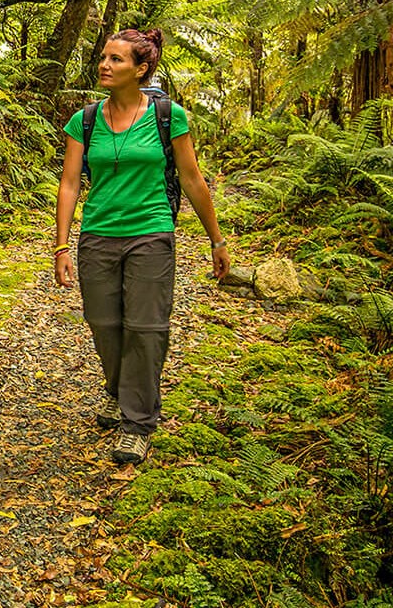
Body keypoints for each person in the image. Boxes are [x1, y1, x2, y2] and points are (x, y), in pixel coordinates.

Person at [52, 28, 230, 465]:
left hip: (151, 233)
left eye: (116, 59)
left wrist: (216, 240)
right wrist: (60, 246)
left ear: (141, 69)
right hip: (98, 234)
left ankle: (137, 423)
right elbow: (70, 183)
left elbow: (192, 179)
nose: (105, 66)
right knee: (104, 323)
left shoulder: (169, 116)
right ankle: (118, 390)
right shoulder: (85, 120)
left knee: (146, 329)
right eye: (104, 58)